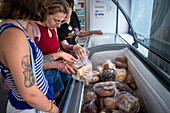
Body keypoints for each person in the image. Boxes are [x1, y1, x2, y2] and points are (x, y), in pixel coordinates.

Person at [0, 0, 61, 113]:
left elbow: (30, 63)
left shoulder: (19, 28)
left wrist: (58, 57)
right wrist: (54, 109)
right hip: (30, 108)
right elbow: (30, 94)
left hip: (37, 104)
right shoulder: (13, 35)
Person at [26, 0, 77, 103]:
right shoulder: (31, 28)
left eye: (61, 21)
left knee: (59, 97)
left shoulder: (52, 27)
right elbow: (30, 63)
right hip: (42, 75)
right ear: (45, 13)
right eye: (56, 20)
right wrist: (58, 59)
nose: (59, 25)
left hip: (56, 71)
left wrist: (69, 54)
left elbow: (56, 48)